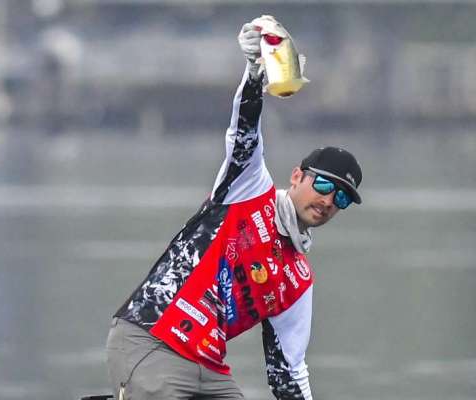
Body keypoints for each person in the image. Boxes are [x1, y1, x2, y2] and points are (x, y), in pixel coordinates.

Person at [106, 20, 363, 400]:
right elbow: (244, 129)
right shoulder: (248, 188)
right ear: (296, 176)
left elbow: (289, 373)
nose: (327, 201)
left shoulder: (296, 281)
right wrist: (256, 69)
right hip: (151, 339)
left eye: (340, 198)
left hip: (209, 367)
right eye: (323, 185)